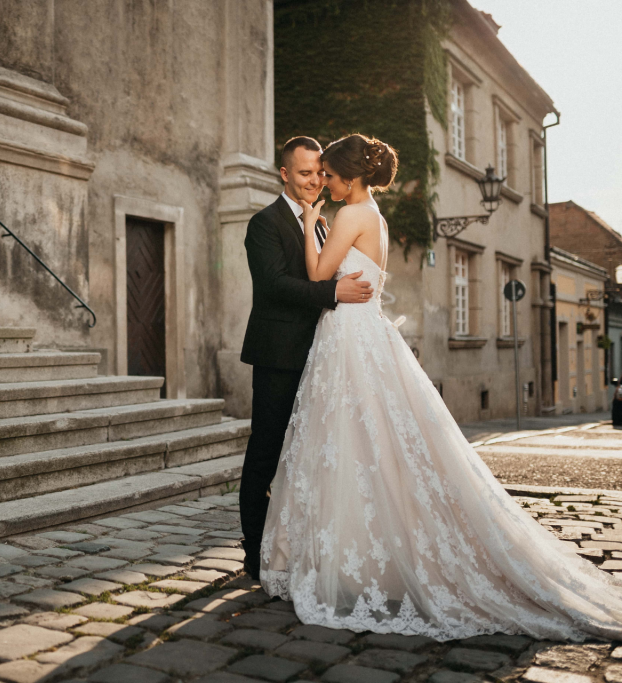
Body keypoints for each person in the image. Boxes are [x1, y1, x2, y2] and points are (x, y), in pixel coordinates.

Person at [259, 132, 622, 641]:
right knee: (375, 447)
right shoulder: (377, 219)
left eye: (334, 177)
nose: (328, 184)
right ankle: (368, 555)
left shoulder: (346, 215)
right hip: (365, 334)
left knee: (350, 444)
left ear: (353, 177)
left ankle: (352, 559)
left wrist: (312, 224)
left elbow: (319, 271)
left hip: (347, 338)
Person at [238, 136, 375, 580]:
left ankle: (298, 549)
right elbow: (275, 285)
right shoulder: (264, 223)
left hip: (322, 359)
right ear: (284, 174)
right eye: (304, 173)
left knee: (308, 458)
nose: (315, 180)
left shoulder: (321, 222)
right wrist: (333, 291)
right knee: (266, 454)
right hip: (279, 356)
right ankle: (253, 554)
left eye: (320, 172)